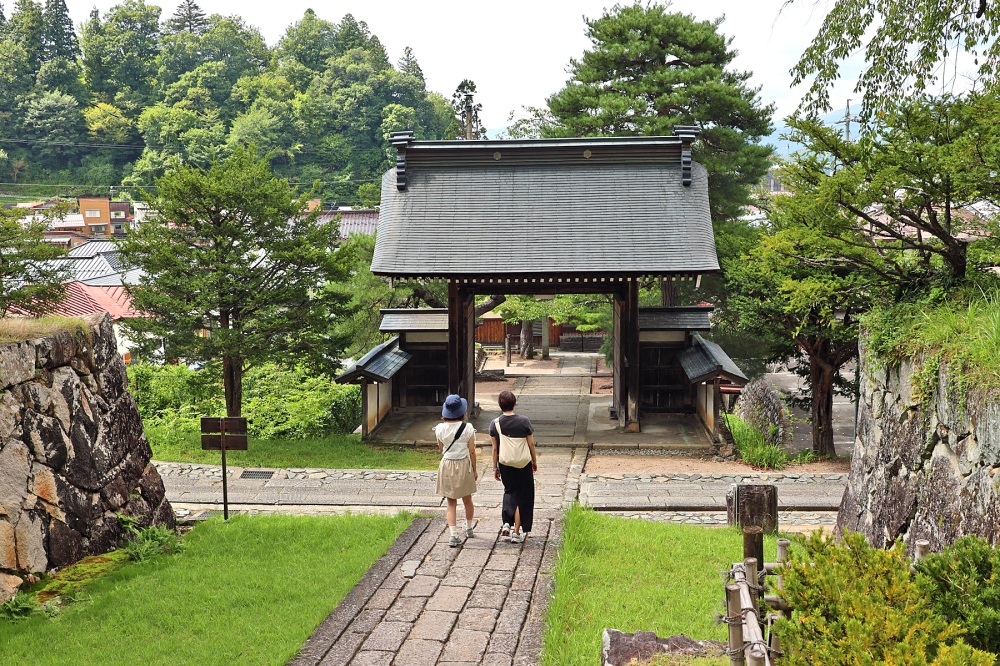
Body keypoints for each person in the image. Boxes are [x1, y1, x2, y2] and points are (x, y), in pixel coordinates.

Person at [490, 390, 538, 544]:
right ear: (514, 403)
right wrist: (534, 461)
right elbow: (531, 443)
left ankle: (506, 523)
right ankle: (516, 533)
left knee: (510, 491)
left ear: (500, 404)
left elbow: (495, 449)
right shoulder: (524, 421)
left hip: (505, 463)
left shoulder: (495, 423)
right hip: (523, 463)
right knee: (523, 495)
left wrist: (495, 467)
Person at [434, 394, 478, 547]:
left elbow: (441, 449)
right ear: (462, 412)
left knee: (451, 502)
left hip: (447, 464)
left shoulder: (439, 429)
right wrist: (475, 469)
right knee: (467, 499)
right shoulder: (468, 428)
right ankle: (469, 527)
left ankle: (453, 534)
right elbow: (471, 450)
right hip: (464, 464)